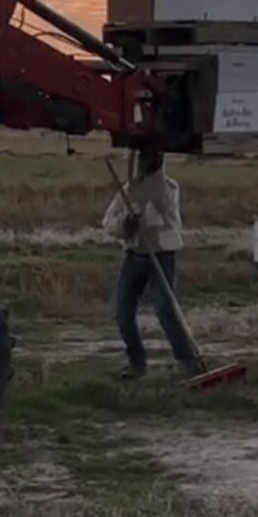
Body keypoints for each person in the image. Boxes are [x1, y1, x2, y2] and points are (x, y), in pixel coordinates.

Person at [102, 149, 206, 379]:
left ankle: (188, 361)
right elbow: (109, 222)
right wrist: (126, 224)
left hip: (162, 255)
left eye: (150, 159)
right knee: (122, 311)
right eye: (143, 158)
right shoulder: (128, 191)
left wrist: (155, 175)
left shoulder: (168, 187)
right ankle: (137, 363)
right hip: (135, 255)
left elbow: (165, 206)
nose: (144, 163)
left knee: (165, 308)